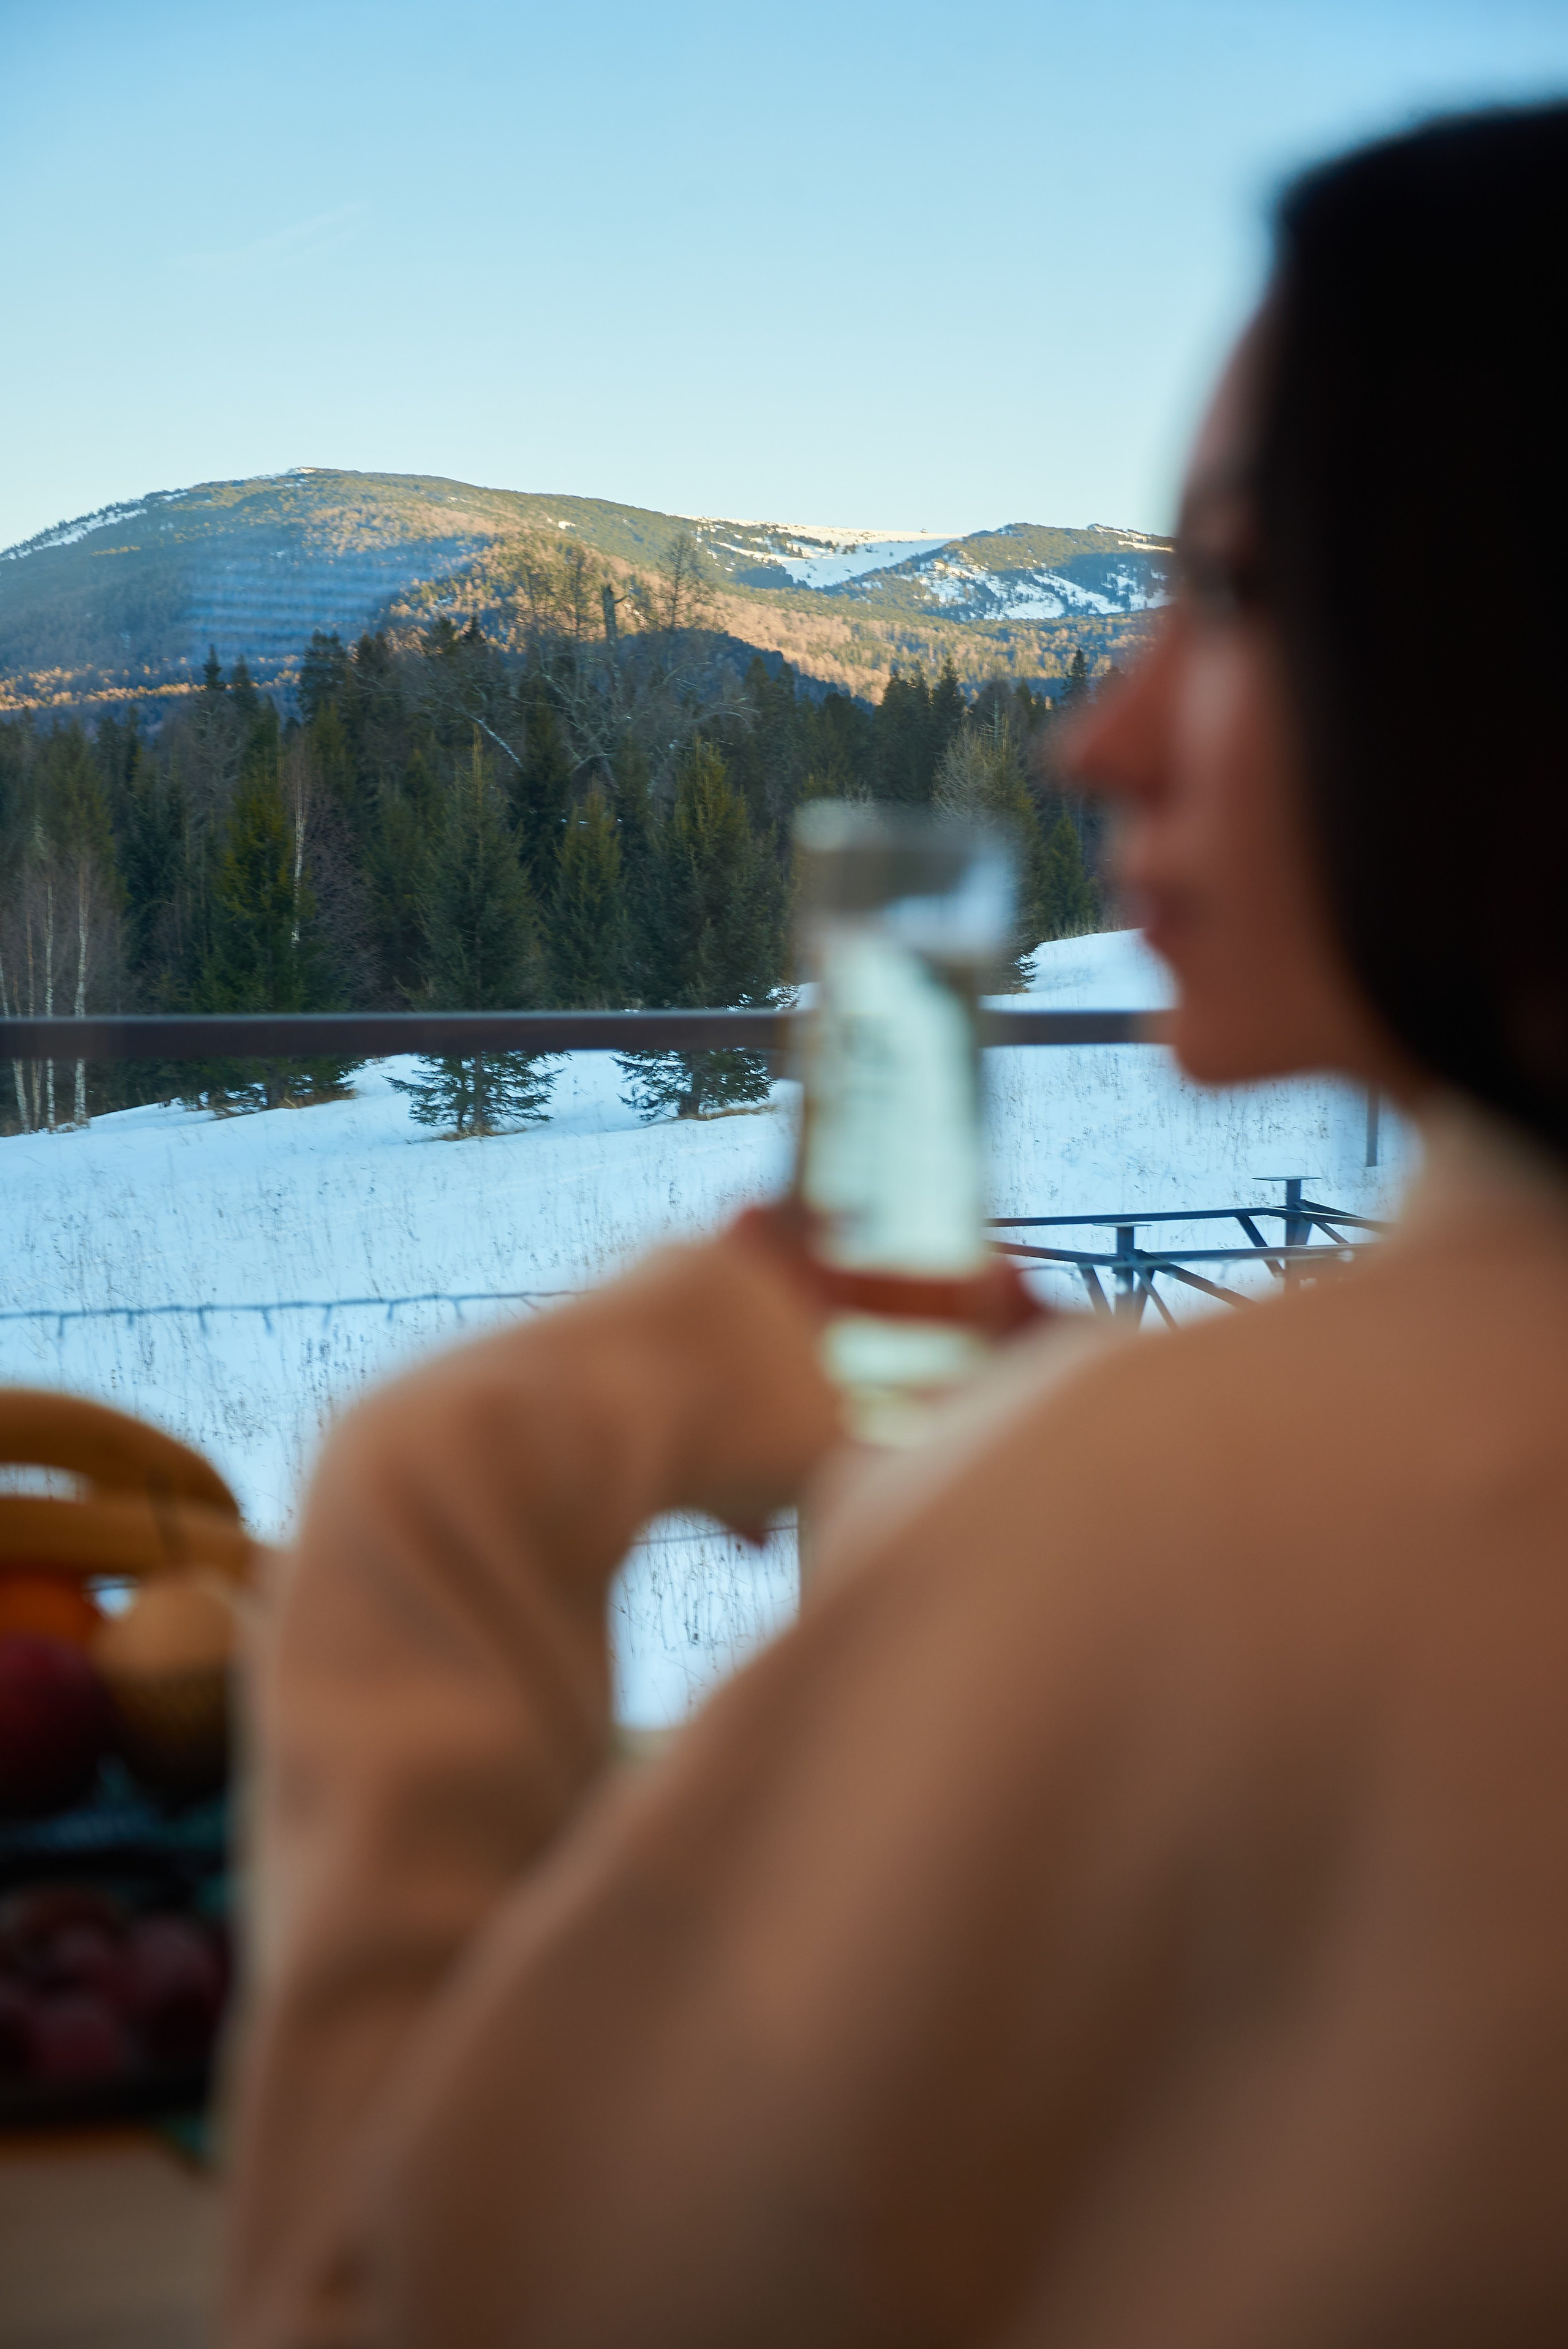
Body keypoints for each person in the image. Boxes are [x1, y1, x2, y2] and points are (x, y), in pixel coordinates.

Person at [227, 106, 1568, 2348]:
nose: (1095, 742)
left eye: (1233, 590)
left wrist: (455, 1490)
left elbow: (382, 2299)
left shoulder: (1179, 1520)